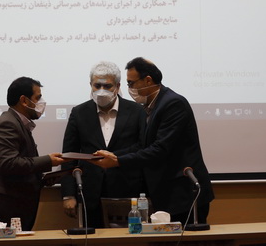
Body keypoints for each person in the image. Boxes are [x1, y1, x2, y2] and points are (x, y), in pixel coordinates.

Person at [92, 57, 214, 225]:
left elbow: (159, 149)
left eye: (131, 83)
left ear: (148, 80)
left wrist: (118, 161)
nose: (129, 88)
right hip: (166, 194)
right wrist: (113, 155)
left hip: (184, 194)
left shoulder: (172, 103)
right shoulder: (151, 107)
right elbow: (142, 146)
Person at [60, 61, 146, 228]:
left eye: (107, 86)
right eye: (97, 85)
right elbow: (69, 154)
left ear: (117, 86)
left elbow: (142, 147)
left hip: (128, 192)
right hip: (90, 193)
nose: (101, 90)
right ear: (90, 85)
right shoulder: (79, 113)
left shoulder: (137, 111)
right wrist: (68, 194)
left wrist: (115, 158)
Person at [0, 77, 65, 231]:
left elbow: (20, 167)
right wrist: (48, 161)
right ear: (24, 100)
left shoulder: (19, 123)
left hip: (15, 204)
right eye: (38, 97)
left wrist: (42, 179)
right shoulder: (8, 124)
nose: (42, 102)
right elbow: (9, 163)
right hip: (4, 207)